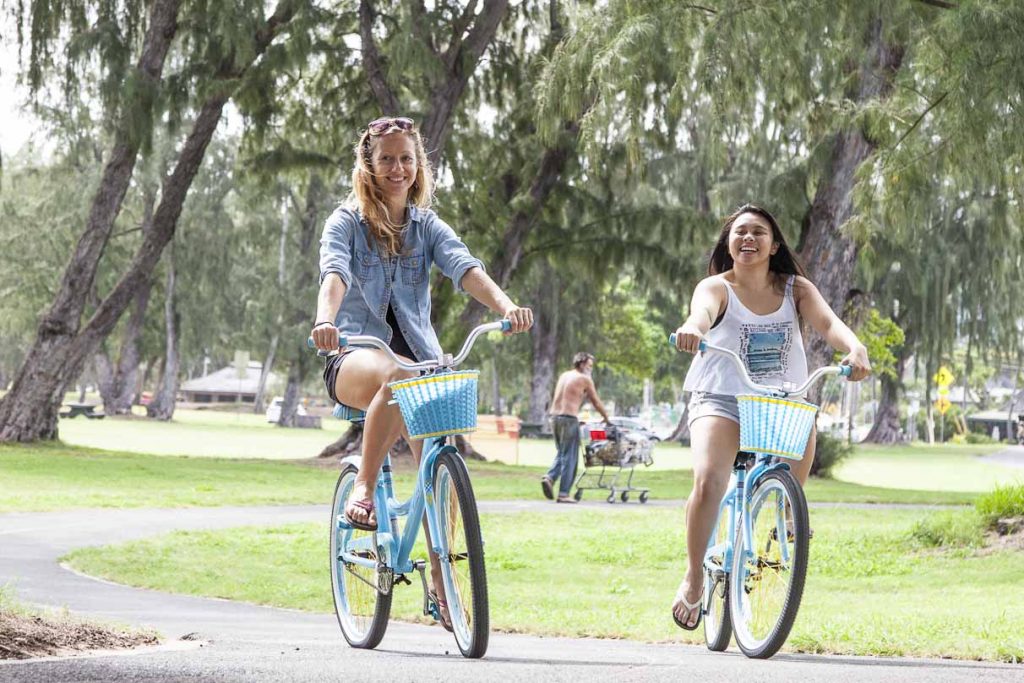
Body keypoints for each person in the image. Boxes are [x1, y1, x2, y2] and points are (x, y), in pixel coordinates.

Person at [310, 116, 533, 627]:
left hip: (420, 359)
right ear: (368, 163)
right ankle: (364, 487)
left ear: (419, 165)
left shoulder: (426, 225)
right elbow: (334, 275)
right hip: (353, 356)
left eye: (406, 158)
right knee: (400, 378)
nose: (397, 168)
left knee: (442, 460)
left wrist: (505, 306)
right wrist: (325, 321)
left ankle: (439, 580)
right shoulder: (344, 222)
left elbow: (464, 266)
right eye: (386, 158)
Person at [669, 204, 871, 630]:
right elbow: (700, 313)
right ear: (729, 243)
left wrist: (854, 348)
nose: (748, 239)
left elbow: (829, 323)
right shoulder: (716, 287)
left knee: (801, 436)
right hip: (719, 397)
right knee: (709, 482)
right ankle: (692, 580)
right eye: (739, 232)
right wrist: (693, 328)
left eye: (758, 232)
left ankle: (788, 513)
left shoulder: (796, 289)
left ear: (774, 244)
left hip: (778, 398)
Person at [541, 352, 611, 503]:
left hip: (554, 418)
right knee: (570, 457)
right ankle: (564, 494)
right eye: (589, 365)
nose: (591, 369)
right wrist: (606, 418)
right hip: (569, 418)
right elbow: (596, 402)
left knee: (562, 453)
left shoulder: (565, 375)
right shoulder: (585, 379)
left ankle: (550, 477)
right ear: (581, 364)